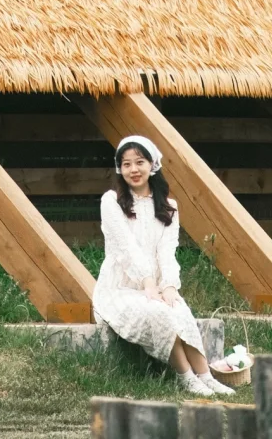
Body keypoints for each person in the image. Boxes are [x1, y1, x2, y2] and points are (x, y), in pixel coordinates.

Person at [92, 134, 234, 398]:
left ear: (152, 164)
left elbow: (167, 251)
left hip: (156, 287)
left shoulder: (169, 207)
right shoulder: (111, 201)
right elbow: (125, 247)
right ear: (119, 169)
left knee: (179, 310)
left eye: (139, 162)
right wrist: (147, 283)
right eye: (126, 164)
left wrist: (168, 285)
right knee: (160, 313)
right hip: (119, 289)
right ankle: (186, 377)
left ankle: (206, 376)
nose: (133, 169)